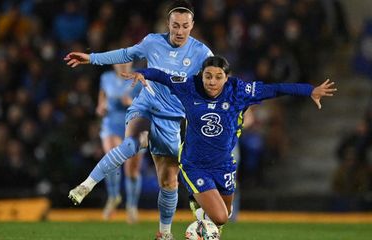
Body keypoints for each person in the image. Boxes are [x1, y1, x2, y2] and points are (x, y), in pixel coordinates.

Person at [121, 55, 336, 235]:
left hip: (224, 165)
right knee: (219, 217)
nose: (212, 82)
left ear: (226, 78)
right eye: (208, 76)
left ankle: (203, 217)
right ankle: (198, 222)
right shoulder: (188, 87)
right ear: (201, 76)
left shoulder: (239, 91)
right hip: (194, 164)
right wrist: (143, 73)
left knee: (224, 216)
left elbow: (275, 89)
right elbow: (163, 76)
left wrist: (309, 90)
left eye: (218, 77)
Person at [64, 1, 212, 239]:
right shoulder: (153, 41)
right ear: (168, 24)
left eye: (185, 26)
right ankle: (86, 185)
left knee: (169, 182)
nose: (180, 31)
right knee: (135, 141)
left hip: (172, 121)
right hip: (146, 106)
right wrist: (90, 58)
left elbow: (216, 81)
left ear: (192, 25)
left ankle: (164, 233)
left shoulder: (202, 54)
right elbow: (125, 54)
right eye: (175, 25)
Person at [96, 63, 142, 223]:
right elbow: (102, 96)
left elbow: (148, 102)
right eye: (118, 62)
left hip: (133, 124)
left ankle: (131, 206)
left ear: (131, 63)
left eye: (125, 62)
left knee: (132, 169)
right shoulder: (106, 77)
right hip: (111, 123)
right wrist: (101, 106)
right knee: (111, 159)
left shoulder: (139, 77)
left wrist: (131, 103)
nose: (122, 65)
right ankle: (114, 196)